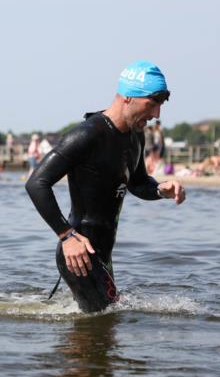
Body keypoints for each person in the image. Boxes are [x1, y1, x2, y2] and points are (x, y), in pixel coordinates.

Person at [26, 60, 186, 313]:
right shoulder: (88, 134)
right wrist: (66, 236)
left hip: (103, 253)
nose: (156, 114)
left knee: (103, 326)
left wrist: (159, 190)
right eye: (152, 104)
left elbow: (137, 182)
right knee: (101, 327)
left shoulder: (136, 135)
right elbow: (37, 183)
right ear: (127, 97)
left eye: (160, 105)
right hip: (79, 253)